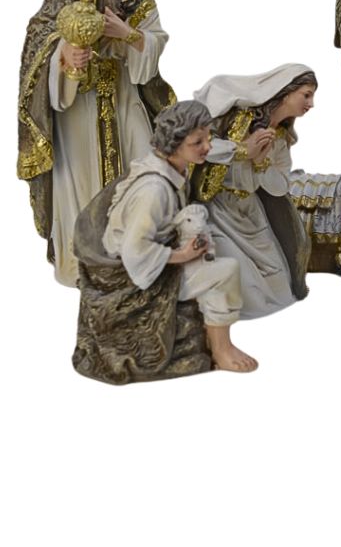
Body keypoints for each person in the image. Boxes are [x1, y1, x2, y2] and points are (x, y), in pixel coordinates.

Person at [18, 0, 176, 286]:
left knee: (145, 164)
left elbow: (155, 41)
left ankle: (139, 255)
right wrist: (65, 55)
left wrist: (128, 35)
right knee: (81, 180)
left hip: (122, 94)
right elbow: (40, 33)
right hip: (80, 104)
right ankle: (84, 265)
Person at [74, 100, 256, 380]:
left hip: (152, 256)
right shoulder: (154, 190)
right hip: (130, 277)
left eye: (208, 138)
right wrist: (183, 256)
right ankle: (221, 349)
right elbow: (134, 251)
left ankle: (211, 333)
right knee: (226, 271)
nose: (208, 147)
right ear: (175, 144)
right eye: (198, 142)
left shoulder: (170, 168)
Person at [192, 64, 317, 318]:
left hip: (250, 213)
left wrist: (261, 164)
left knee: (281, 290)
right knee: (248, 291)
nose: (311, 104)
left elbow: (280, 185)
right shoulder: (236, 116)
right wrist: (242, 150)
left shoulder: (281, 138)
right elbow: (197, 145)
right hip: (218, 212)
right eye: (306, 95)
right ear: (286, 91)